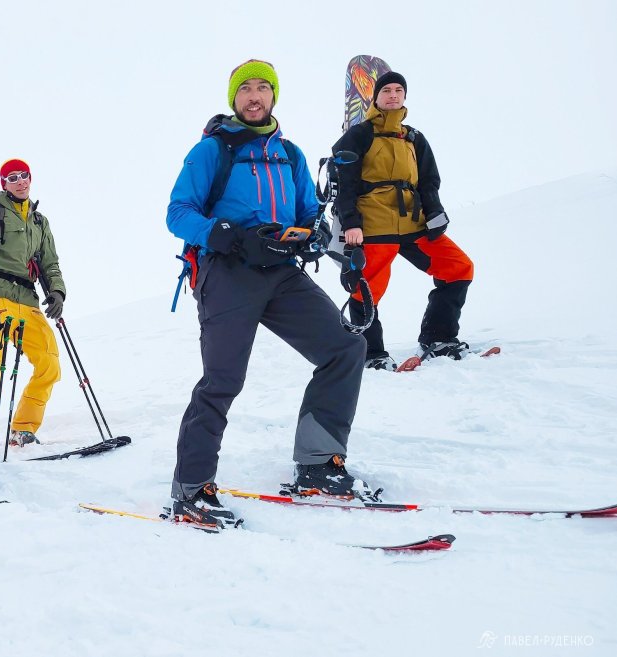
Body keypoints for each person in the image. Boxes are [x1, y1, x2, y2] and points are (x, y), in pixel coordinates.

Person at [164, 59, 368, 525]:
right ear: (233, 99)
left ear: (273, 97)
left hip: (280, 270)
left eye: (263, 88)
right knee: (223, 380)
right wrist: (227, 234)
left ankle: (318, 464)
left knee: (344, 348)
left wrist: (314, 235)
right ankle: (190, 491)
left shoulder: (290, 154)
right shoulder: (212, 151)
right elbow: (178, 212)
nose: (254, 96)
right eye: (245, 89)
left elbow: (307, 212)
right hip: (227, 272)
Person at [331, 71, 474, 370]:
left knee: (459, 267)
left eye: (399, 90)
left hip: (414, 224)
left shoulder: (414, 138)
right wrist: (351, 223)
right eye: (386, 90)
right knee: (366, 289)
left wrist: (434, 213)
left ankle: (439, 337)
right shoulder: (358, 135)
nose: (393, 95)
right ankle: (370, 353)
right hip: (374, 226)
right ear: (376, 97)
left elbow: (429, 181)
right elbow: (345, 184)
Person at [0, 159, 66, 459]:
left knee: (49, 364)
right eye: (13, 177)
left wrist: (57, 291)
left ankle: (23, 427)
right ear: (3, 183)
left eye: (25, 176)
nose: (20, 181)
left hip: (28, 299)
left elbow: (50, 263)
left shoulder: (39, 222)